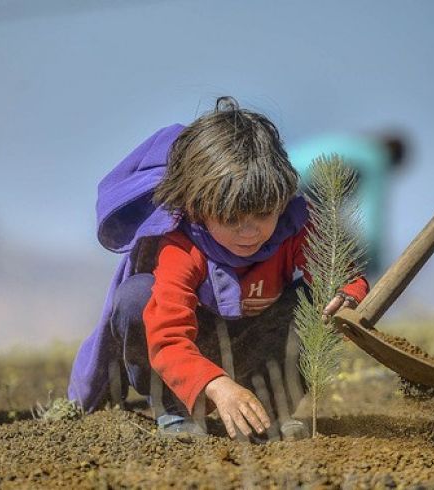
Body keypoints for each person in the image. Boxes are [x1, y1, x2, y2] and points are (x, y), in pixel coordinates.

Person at [67, 97, 369, 440]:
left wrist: (347, 294)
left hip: (256, 350)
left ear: (281, 200)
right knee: (137, 298)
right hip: (190, 355)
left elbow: (340, 276)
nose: (250, 230)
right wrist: (216, 384)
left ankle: (266, 413)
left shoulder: (295, 225)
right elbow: (168, 338)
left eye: (263, 213)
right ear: (198, 208)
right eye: (231, 218)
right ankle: (176, 411)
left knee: (317, 303)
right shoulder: (182, 245)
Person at [288, 131, 408, 279]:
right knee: (350, 251)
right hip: (299, 188)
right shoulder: (376, 157)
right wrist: (374, 260)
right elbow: (372, 211)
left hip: (281, 173)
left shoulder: (352, 145)